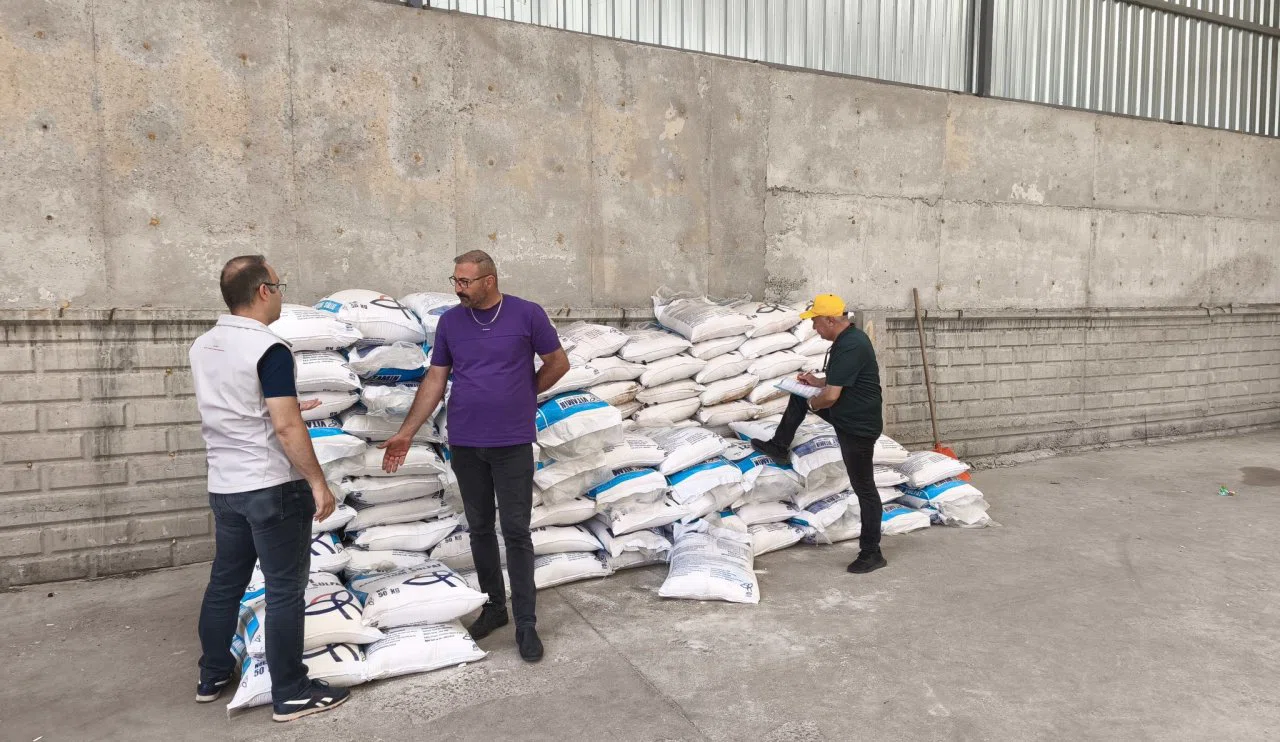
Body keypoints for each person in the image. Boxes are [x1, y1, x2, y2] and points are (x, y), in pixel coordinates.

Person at [380, 250, 570, 662]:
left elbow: (558, 363)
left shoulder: (527, 315)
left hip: (512, 443)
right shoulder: (451, 323)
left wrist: (524, 393)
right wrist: (406, 433)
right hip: (466, 442)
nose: (458, 289)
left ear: (489, 280)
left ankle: (526, 623)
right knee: (480, 529)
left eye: (465, 281)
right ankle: (495, 608)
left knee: (516, 532)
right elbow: (435, 379)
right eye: (455, 281)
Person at [190, 255, 350, 722]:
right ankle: (292, 692)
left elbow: (240, 404)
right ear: (264, 291)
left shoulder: (204, 345)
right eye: (279, 286)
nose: (280, 294)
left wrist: (292, 407)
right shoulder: (269, 348)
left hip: (225, 485)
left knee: (226, 581)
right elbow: (285, 427)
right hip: (271, 487)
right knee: (284, 590)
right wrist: (317, 482)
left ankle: (212, 674)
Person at [750, 294, 887, 574]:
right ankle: (779, 445)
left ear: (830, 320)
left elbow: (831, 396)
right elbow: (838, 381)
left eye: (815, 322)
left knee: (864, 488)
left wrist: (815, 402)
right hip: (847, 413)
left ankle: (872, 553)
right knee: (800, 393)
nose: (814, 327)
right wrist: (815, 382)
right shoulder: (847, 341)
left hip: (857, 426)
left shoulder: (851, 345)